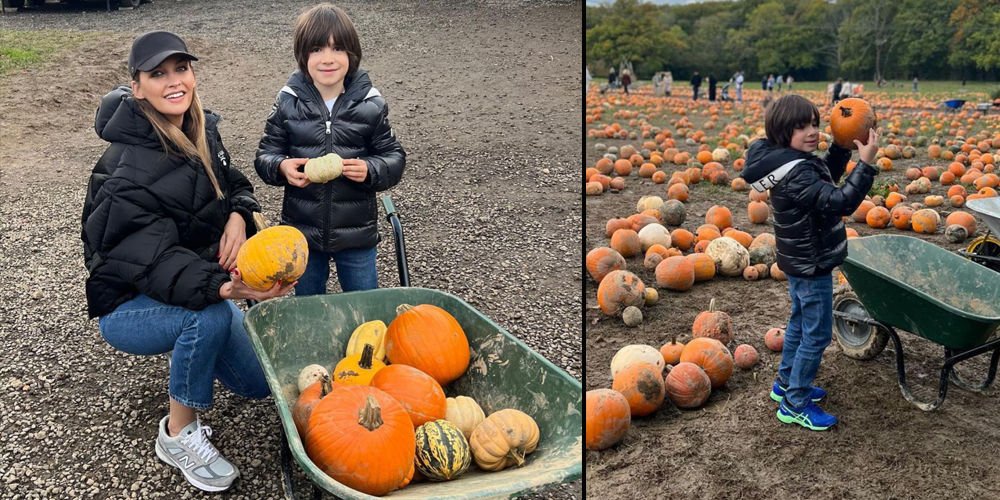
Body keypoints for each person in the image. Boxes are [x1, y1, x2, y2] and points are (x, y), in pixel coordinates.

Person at [81, 31, 296, 492]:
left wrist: (238, 215)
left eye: (181, 69)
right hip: (128, 304)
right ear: (136, 88)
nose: (174, 81)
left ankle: (196, 340)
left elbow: (235, 183)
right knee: (209, 316)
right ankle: (177, 433)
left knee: (258, 384)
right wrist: (236, 289)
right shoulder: (126, 171)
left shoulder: (202, 129)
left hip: (186, 284)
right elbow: (156, 262)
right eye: (158, 74)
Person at [740, 94, 879, 431]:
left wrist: (842, 148)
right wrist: (867, 164)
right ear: (781, 133)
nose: (812, 132)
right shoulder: (796, 173)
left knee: (801, 324)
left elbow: (823, 179)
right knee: (816, 335)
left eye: (815, 124)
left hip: (800, 260)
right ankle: (796, 402)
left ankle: (786, 384)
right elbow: (840, 201)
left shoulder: (789, 162)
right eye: (801, 127)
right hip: (812, 263)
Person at [255, 3, 406, 296]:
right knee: (308, 306)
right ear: (303, 55)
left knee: (363, 305)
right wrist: (281, 167)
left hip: (357, 234)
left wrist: (371, 169)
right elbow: (265, 155)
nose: (328, 59)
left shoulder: (370, 104)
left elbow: (394, 158)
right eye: (316, 49)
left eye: (337, 49)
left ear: (352, 55)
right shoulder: (288, 103)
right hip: (303, 234)